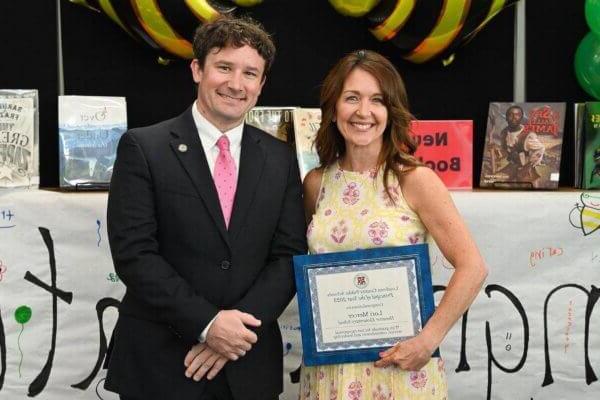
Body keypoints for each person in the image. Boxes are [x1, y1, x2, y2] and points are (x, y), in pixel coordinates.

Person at [104, 16, 307, 400]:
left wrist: (234, 333)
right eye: (224, 67)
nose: (236, 83)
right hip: (161, 367)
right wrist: (209, 324)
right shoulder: (143, 148)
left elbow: (288, 257)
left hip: (248, 366)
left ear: (261, 85)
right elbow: (134, 254)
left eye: (250, 73)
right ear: (197, 69)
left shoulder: (280, 159)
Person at [300, 50, 488, 399]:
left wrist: (427, 340)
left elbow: (472, 267)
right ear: (333, 107)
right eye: (351, 98)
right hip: (333, 373)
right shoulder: (317, 183)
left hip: (401, 372)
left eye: (377, 100)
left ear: (392, 111)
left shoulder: (415, 180)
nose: (363, 112)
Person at [498, 105, 545, 185]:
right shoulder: (504, 133)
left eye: (517, 115)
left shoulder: (528, 135)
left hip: (526, 170)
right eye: (510, 115)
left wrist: (530, 164)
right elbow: (505, 151)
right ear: (506, 118)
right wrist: (498, 152)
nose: (514, 117)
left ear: (521, 118)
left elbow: (541, 148)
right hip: (512, 166)